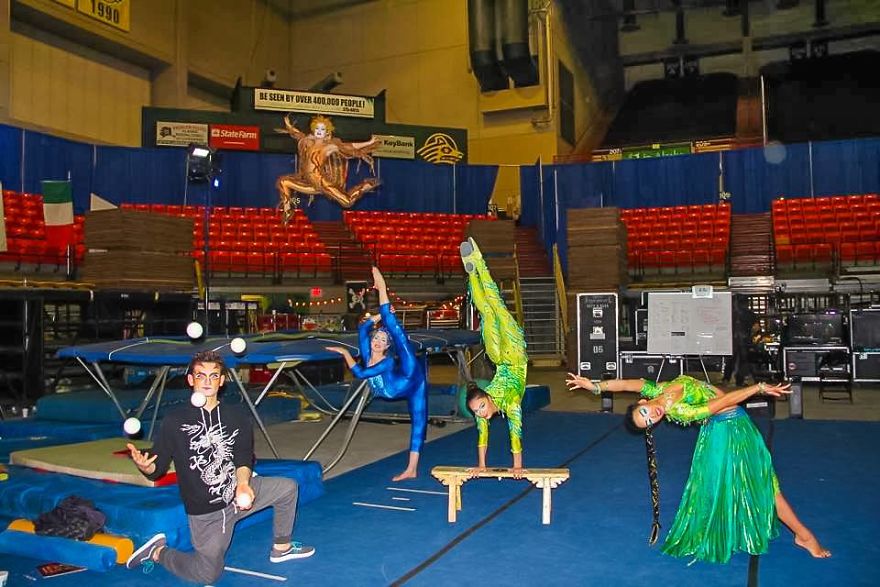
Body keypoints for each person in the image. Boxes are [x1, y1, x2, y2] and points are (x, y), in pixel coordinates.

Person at [565, 373, 831, 564]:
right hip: (729, 433)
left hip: (737, 426)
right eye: (648, 423)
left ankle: (799, 534)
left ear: (643, 402)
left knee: (760, 482)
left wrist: (595, 386)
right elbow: (724, 403)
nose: (652, 418)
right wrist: (759, 387)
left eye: (644, 414)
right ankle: (804, 535)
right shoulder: (683, 412)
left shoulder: (659, 390)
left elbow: (626, 383)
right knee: (764, 483)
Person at [125, 350, 315, 584]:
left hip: (237, 493)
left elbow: (244, 457)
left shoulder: (236, 417)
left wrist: (243, 485)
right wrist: (145, 467)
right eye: (201, 375)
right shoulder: (175, 421)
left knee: (287, 488)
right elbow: (158, 467)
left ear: (222, 381)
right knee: (207, 575)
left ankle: (282, 548)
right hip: (208, 514)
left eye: (214, 376)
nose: (207, 381)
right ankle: (157, 552)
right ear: (190, 380)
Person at [327, 266, 427, 481]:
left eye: (383, 341)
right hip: (401, 386)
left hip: (410, 377)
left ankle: (382, 287)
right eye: (377, 338)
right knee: (418, 421)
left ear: (386, 347)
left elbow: (361, 374)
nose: (378, 342)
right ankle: (412, 469)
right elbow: (363, 329)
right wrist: (376, 317)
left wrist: (345, 352)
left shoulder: (388, 361)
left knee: (399, 335)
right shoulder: (366, 348)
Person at [460, 237, 528, 478]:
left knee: (496, 309)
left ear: (487, 397)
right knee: (488, 314)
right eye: (476, 412)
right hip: (515, 355)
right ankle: (471, 274)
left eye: (480, 407)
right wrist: (481, 465)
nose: (480, 414)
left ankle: (477, 264)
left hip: (505, 355)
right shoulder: (509, 406)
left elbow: (514, 434)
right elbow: (505, 432)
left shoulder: (506, 400)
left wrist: (518, 467)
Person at [275, 114, 380, 219]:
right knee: (283, 182)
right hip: (308, 181)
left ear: (327, 132)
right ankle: (288, 209)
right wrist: (289, 125)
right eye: (317, 128)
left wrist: (368, 142)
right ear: (313, 129)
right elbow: (298, 134)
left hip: (320, 182)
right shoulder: (307, 142)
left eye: (322, 129)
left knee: (347, 202)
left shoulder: (329, 147)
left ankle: (364, 187)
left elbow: (349, 146)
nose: (319, 131)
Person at [722, 295, 758, 386]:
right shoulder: (750, 314)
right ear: (747, 303)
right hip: (746, 340)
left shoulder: (730, 313)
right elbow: (756, 328)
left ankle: (726, 379)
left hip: (732, 340)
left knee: (730, 361)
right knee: (743, 361)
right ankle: (740, 380)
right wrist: (750, 334)